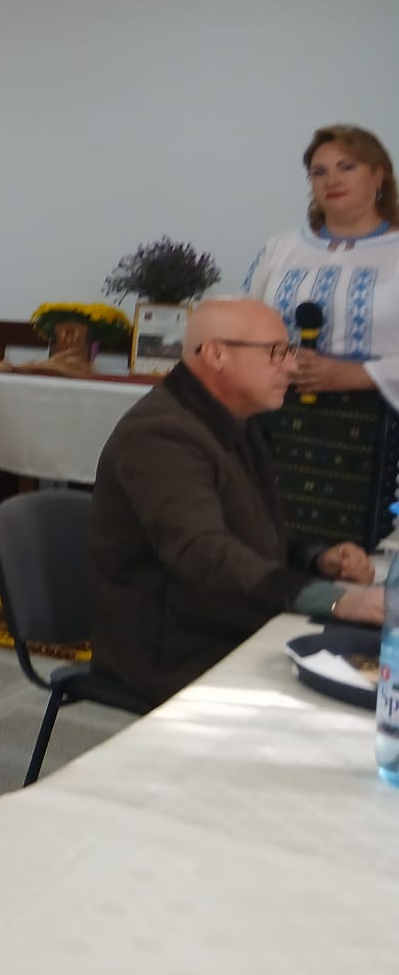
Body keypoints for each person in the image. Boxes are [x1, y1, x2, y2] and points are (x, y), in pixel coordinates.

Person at [89, 297, 384, 705]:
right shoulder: (161, 434)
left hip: (224, 622)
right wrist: (335, 599)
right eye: (275, 352)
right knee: (359, 696)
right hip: (173, 650)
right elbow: (203, 552)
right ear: (216, 354)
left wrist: (316, 559)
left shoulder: (227, 419)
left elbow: (245, 530)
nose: (292, 367)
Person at [243, 124, 399, 554]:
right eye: (319, 171)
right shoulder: (281, 250)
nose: (332, 179)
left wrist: (359, 373)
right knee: (272, 541)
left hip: (379, 429)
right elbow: (244, 324)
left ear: (378, 175)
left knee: (361, 558)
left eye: (347, 167)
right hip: (281, 424)